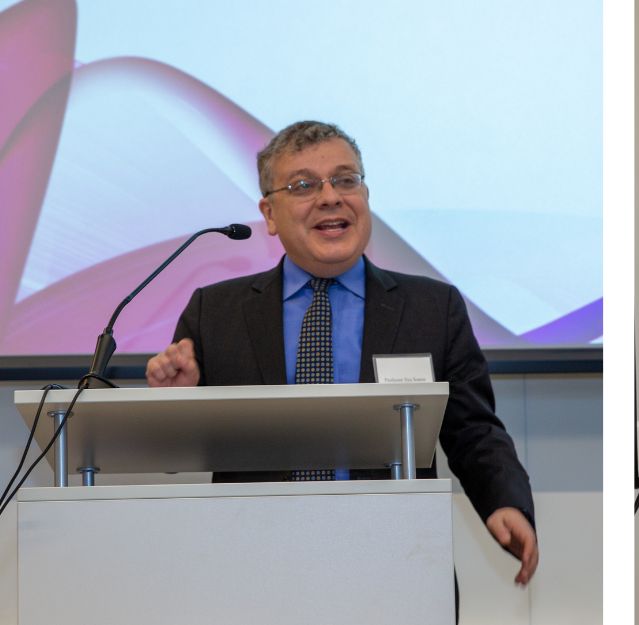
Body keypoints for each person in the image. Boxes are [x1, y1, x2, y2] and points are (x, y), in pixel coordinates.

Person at [144, 121, 540, 586]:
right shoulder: (215, 312)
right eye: (304, 185)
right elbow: (175, 454)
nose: (330, 196)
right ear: (269, 214)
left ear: (365, 196)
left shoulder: (432, 308)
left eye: (346, 179)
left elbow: (473, 430)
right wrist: (175, 406)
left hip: (395, 565)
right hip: (254, 567)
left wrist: (504, 501)